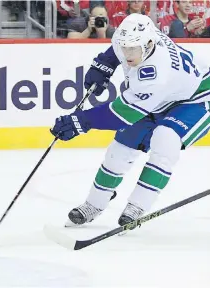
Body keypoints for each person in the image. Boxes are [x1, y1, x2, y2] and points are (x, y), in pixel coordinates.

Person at [50, 13, 210, 227]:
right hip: (164, 96)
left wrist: (80, 121)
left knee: (166, 139)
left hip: (196, 99)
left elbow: (122, 115)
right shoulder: (130, 37)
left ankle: (137, 205)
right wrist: (103, 66)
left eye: (133, 49)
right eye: (124, 47)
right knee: (120, 150)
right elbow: (115, 51)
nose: (127, 54)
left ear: (150, 43)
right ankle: (94, 203)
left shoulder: (156, 73)